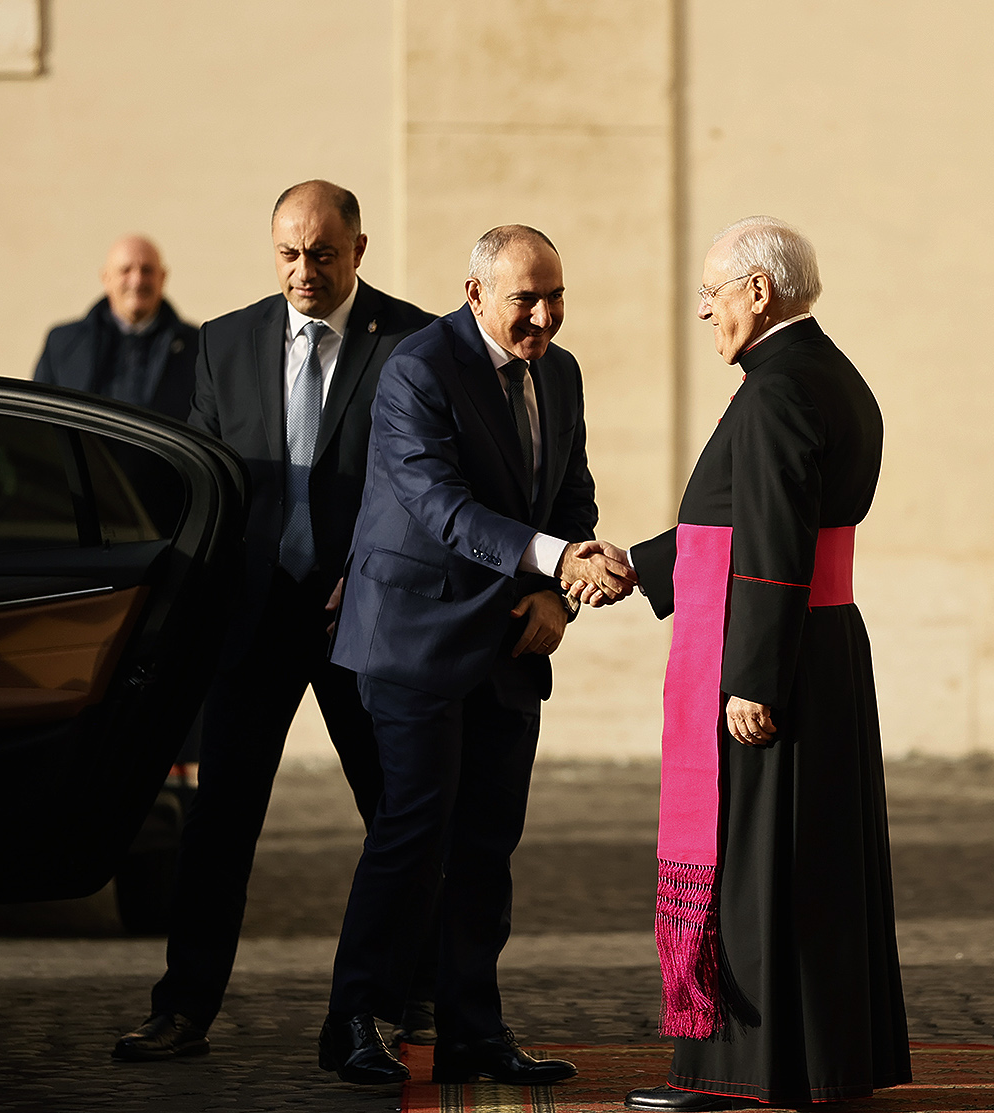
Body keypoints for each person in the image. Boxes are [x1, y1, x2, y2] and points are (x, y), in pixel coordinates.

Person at [112, 181, 434, 1062]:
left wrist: (370, 572)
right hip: (255, 618)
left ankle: (418, 992)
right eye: (289, 253)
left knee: (397, 811)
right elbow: (208, 478)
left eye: (322, 254)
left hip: (362, 615)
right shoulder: (225, 341)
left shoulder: (412, 342)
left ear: (358, 249)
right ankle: (183, 1007)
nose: (303, 271)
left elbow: (421, 481)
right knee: (219, 822)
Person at [608, 217, 912, 1108]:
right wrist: (635, 565)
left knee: (752, 861)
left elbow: (774, 541)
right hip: (820, 643)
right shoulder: (825, 372)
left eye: (713, 291)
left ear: (758, 290)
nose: (705, 309)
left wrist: (751, 678)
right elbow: (732, 521)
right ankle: (825, 1060)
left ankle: (736, 1071)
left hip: (775, 654)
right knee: (813, 864)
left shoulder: (776, 390)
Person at [320, 226, 634, 1085]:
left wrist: (558, 594)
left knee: (489, 842)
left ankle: (471, 1030)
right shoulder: (418, 369)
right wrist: (557, 562)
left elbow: (570, 494)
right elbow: (440, 505)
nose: (544, 316)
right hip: (413, 635)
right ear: (475, 293)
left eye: (556, 297)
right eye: (526, 299)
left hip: (510, 636)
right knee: (413, 831)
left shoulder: (560, 372)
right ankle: (353, 1019)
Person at [34, 235, 199, 420]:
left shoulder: (198, 348)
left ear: (162, 278)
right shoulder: (62, 344)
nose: (137, 280)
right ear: (106, 278)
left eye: (147, 270)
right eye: (125, 270)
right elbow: (39, 418)